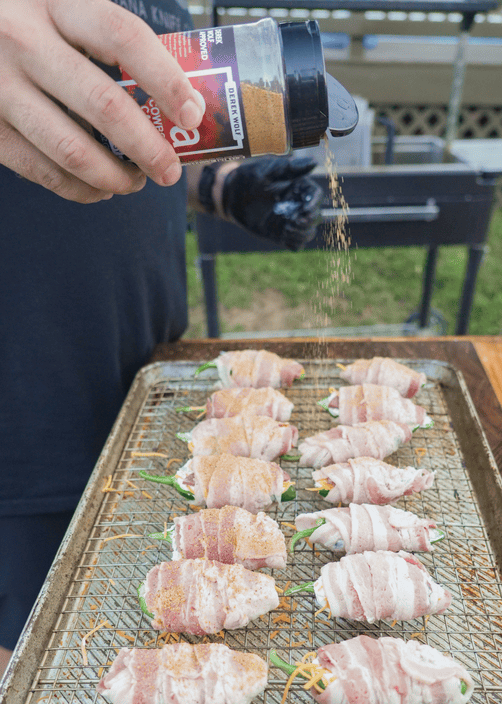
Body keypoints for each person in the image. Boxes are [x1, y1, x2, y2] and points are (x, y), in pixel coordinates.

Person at [0, 0, 325, 668]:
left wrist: (225, 183)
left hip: (145, 383)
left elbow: (137, 119)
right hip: (22, 419)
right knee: (33, 699)